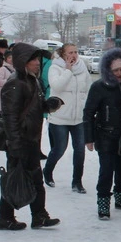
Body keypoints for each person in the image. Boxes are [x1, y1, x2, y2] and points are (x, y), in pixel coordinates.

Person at [0, 42, 62, 230]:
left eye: (37, 59)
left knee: (32, 179)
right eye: (33, 59)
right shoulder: (15, 84)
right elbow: (10, 118)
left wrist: (49, 105)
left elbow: (33, 108)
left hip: (30, 140)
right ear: (23, 61)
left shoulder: (31, 80)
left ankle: (37, 216)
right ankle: (6, 218)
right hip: (20, 141)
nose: (37, 63)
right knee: (16, 179)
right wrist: (15, 145)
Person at [83, 48, 121, 220]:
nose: (119, 73)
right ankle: (103, 204)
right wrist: (89, 138)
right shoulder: (99, 87)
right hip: (106, 136)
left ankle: (120, 198)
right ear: (108, 70)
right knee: (106, 172)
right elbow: (88, 113)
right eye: (115, 70)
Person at [43, 43, 92, 193]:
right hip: (60, 117)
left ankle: (77, 182)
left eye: (76, 52)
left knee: (80, 150)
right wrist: (68, 71)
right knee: (59, 149)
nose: (74, 55)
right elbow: (56, 86)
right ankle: (47, 171)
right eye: (70, 52)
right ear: (63, 54)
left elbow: (88, 89)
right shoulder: (55, 67)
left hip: (78, 118)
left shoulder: (82, 68)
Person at [0, 48, 14, 116]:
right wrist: (10, 82)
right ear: (5, 59)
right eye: (9, 58)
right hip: (4, 96)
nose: (11, 59)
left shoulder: (16, 69)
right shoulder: (2, 69)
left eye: (12, 57)